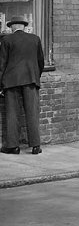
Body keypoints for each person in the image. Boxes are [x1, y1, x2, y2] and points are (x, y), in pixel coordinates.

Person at [0, 16, 45, 154]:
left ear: (12, 27)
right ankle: (36, 146)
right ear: (23, 27)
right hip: (30, 79)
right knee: (32, 112)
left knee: (12, 113)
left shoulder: (6, 40)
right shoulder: (35, 39)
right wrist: (35, 76)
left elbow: (2, 64)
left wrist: (0, 84)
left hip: (11, 80)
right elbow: (40, 62)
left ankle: (13, 146)